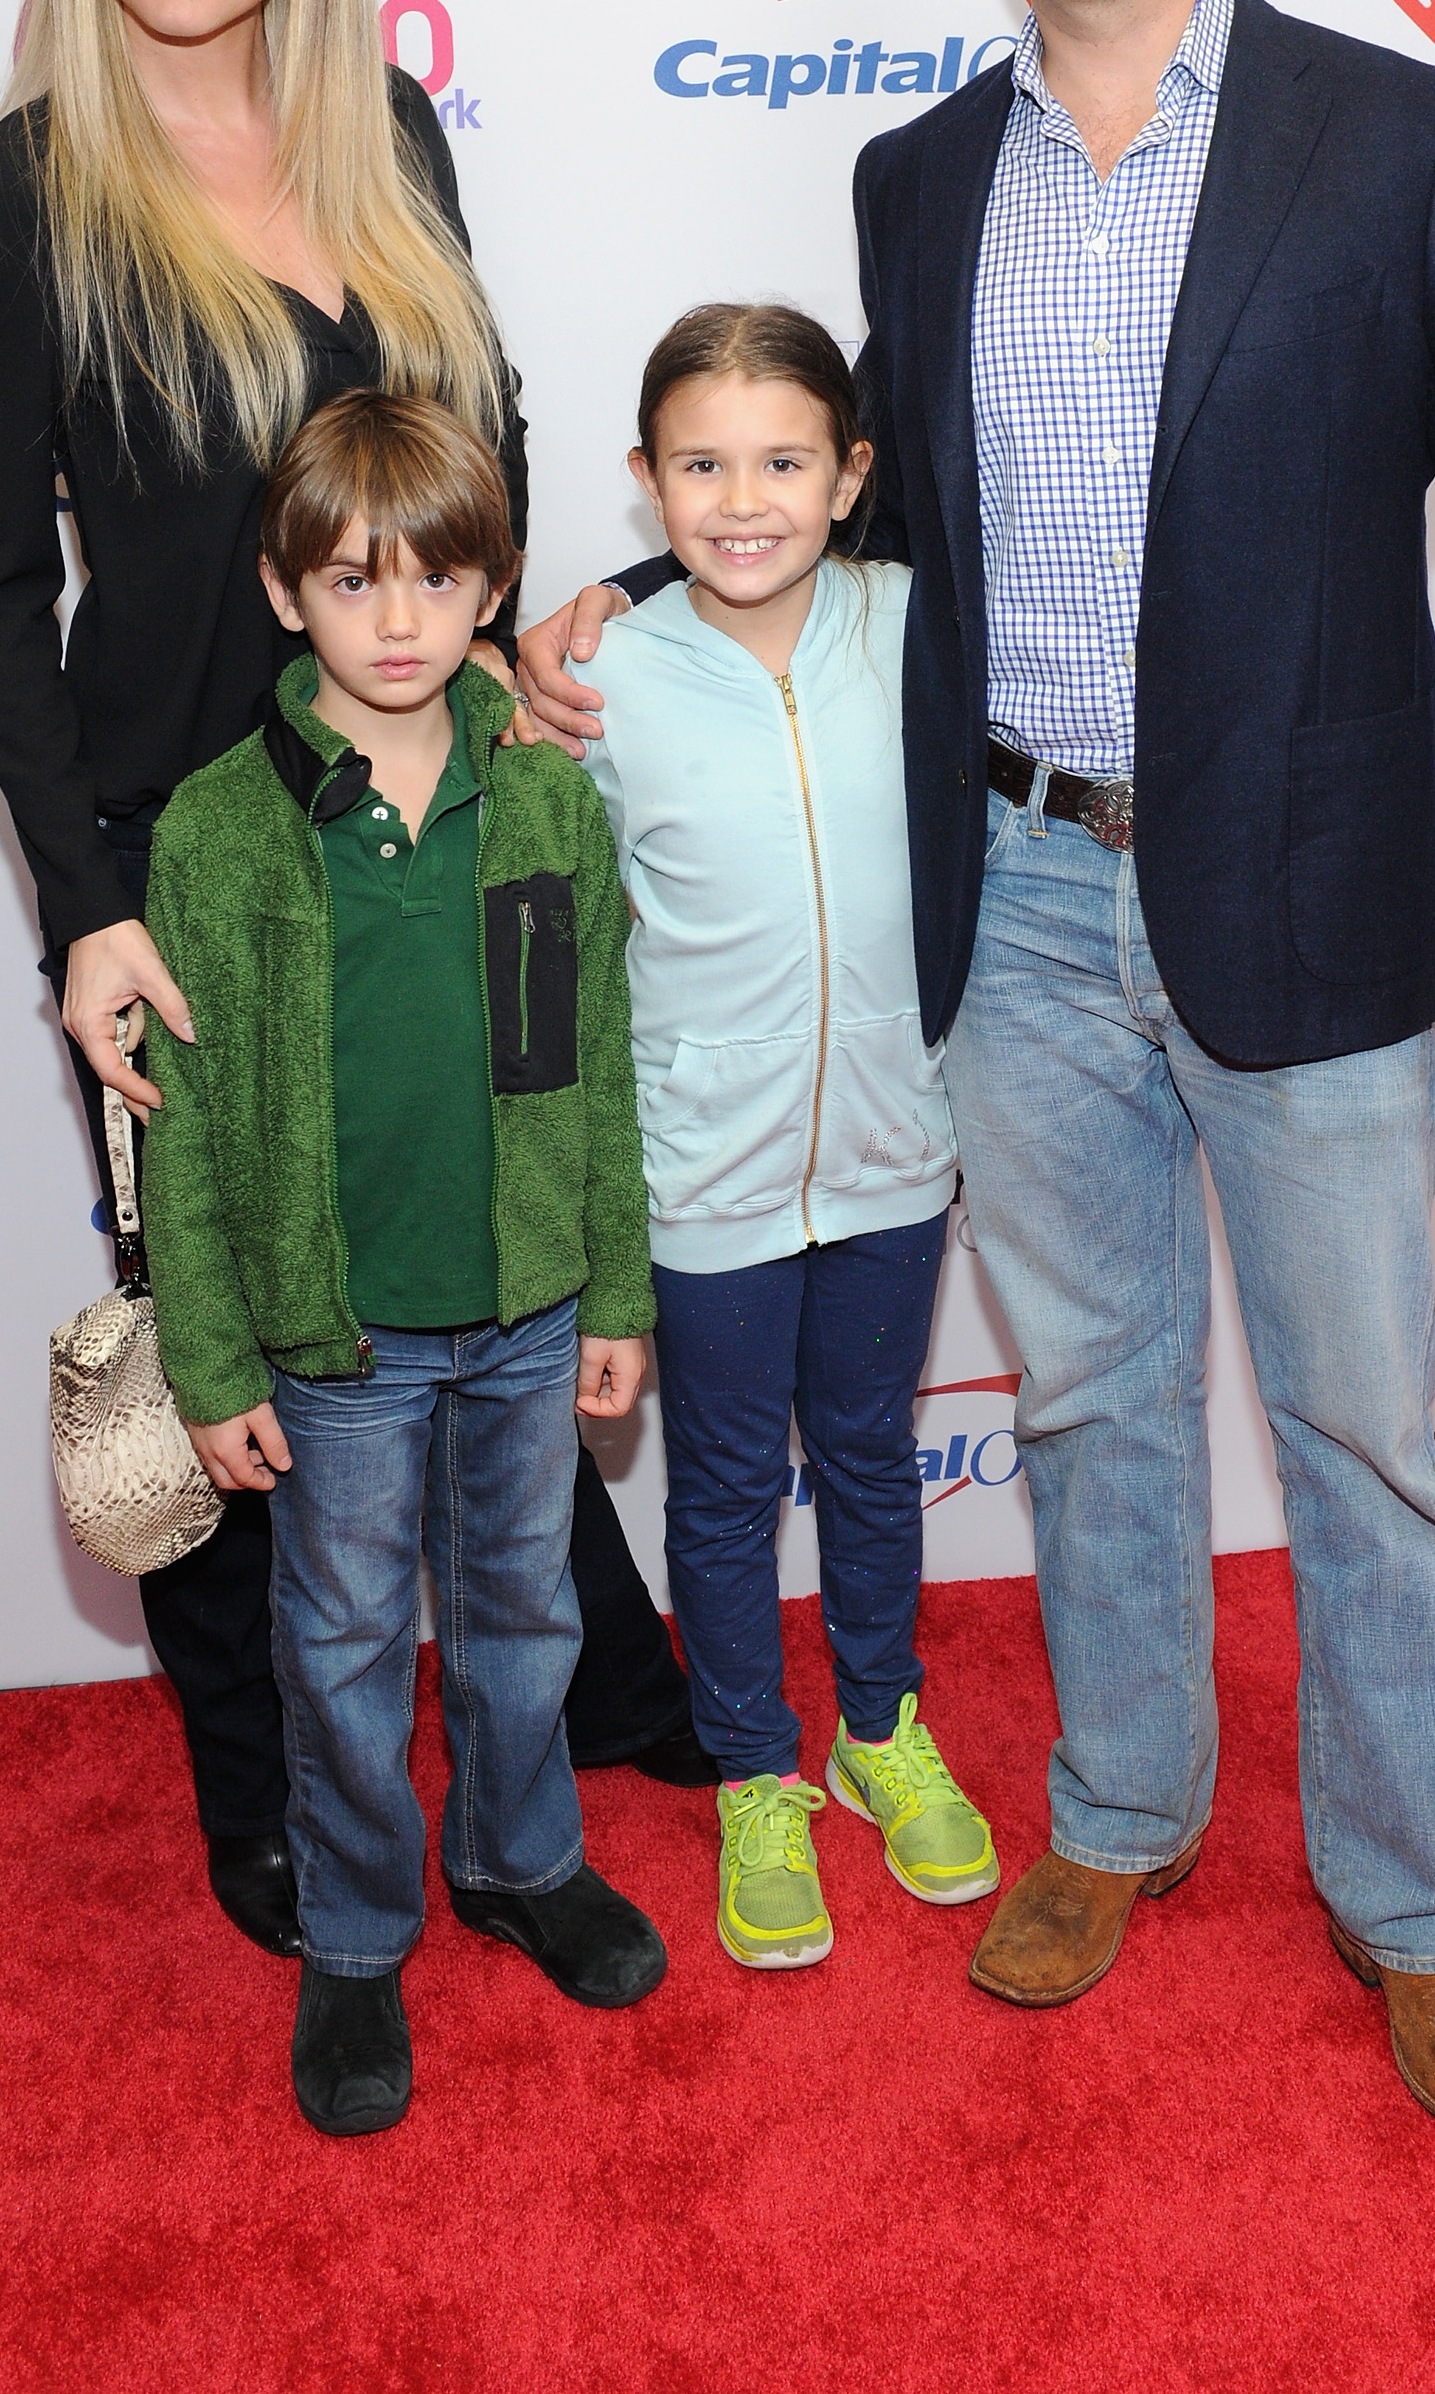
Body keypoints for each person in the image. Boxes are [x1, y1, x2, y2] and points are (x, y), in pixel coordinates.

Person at [519, 0, 1435, 2139]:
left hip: (1325, 898)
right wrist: (636, 598)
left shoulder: (1399, 141)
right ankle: (1122, 1808)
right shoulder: (914, 176)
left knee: (1356, 1432)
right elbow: (846, 510)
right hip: (1003, 892)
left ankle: (1411, 1905)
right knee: (1099, 1393)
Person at [0, 0, 704, 1969]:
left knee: (500, 1248)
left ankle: (595, 1705)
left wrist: (483, 665)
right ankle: (265, 1802)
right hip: (205, 877)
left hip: (450, 824)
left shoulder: (385, 126)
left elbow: (483, 425)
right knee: (248, 1344)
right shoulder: (15, 205)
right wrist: (83, 910)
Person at [142, 386, 667, 2135]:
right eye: (354, 583)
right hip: (337, 1338)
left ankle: (522, 1861)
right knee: (346, 1639)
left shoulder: (541, 801)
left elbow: (586, 1062)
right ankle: (359, 1939)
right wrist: (213, 1361)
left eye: (436, 583)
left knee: (526, 1610)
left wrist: (614, 1291)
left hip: (523, 1314)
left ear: (491, 593)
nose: (396, 621)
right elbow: (187, 1122)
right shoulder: (219, 829)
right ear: (286, 593)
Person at [575, 305, 995, 1969]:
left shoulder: (915, 626)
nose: (740, 500)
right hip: (704, 1173)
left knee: (878, 1458)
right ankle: (758, 1768)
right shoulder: (596, 672)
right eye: (699, 464)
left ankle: (878, 1729)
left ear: (851, 476)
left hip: (898, 1147)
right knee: (731, 1486)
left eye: (783, 461)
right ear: (643, 481)